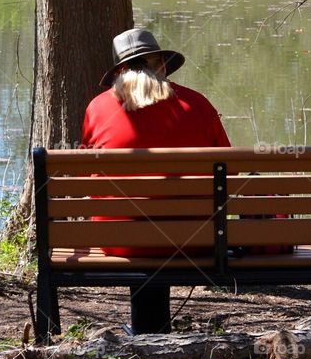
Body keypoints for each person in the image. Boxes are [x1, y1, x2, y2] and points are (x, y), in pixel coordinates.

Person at [81, 28, 230, 335]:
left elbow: (87, 178)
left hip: (120, 241)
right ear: (161, 64)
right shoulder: (197, 104)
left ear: (119, 71)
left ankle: (146, 330)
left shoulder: (97, 108)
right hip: (194, 239)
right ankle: (154, 330)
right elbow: (230, 173)